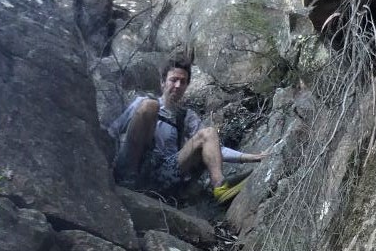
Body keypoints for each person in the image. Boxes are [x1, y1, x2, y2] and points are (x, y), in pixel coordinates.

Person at [109, 58, 273, 205]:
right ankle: (128, 180)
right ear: (162, 82)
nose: (178, 86)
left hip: (162, 174)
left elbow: (214, 148)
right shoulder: (142, 103)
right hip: (131, 166)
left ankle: (219, 187)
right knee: (149, 106)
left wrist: (251, 157)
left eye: (183, 82)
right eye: (173, 80)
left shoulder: (186, 117)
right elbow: (114, 130)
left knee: (208, 133)